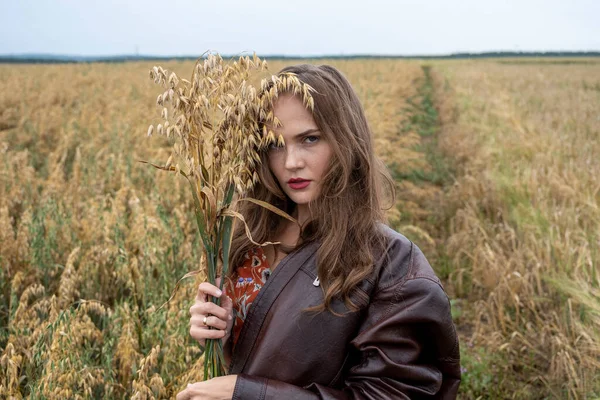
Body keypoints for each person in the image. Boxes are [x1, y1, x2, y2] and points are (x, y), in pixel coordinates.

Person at [177, 64, 460, 400]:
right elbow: (249, 360)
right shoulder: (245, 241)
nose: (291, 162)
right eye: (275, 144)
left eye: (310, 139)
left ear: (345, 141)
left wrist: (248, 394)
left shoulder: (393, 267)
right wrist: (218, 338)